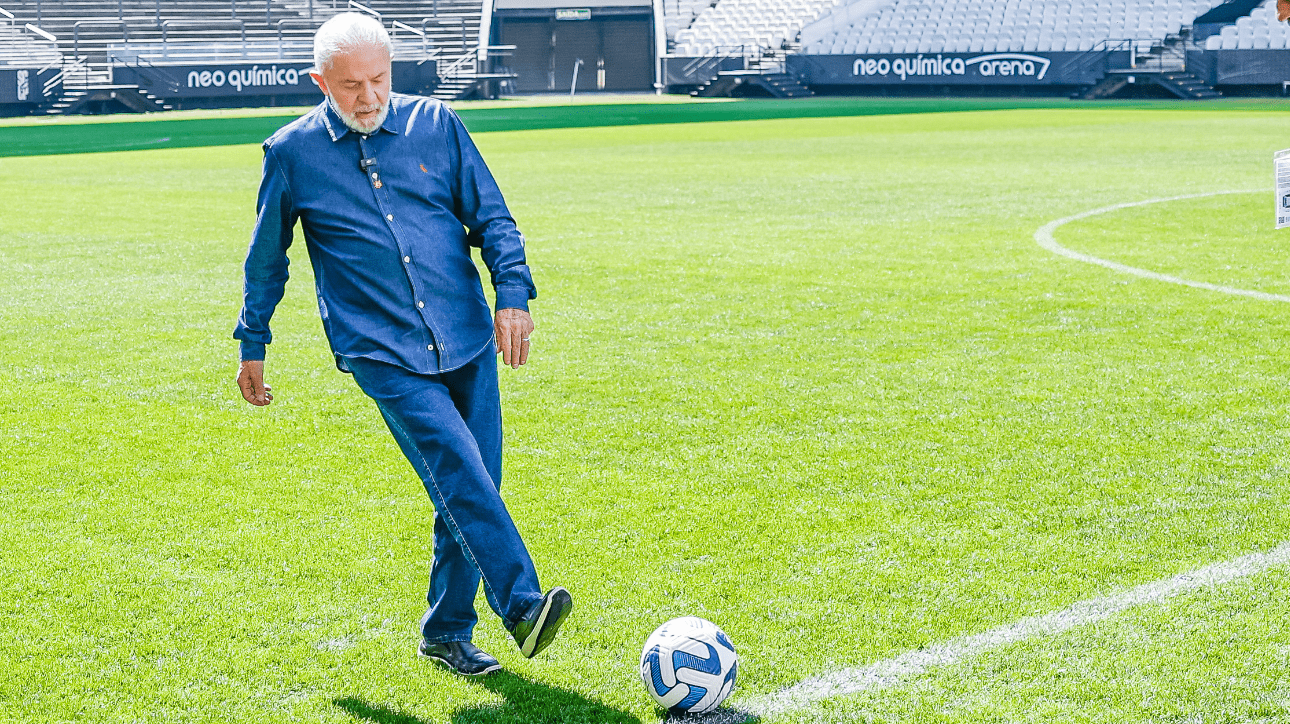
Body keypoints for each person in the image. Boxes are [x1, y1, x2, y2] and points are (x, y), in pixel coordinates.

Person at [232, 12, 571, 677]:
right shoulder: (291, 154)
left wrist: (513, 296)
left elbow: (494, 219)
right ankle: (523, 606)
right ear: (320, 81)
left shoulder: (438, 126)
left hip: (467, 335)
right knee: (459, 469)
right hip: (380, 351)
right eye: (350, 85)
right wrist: (253, 340)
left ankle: (445, 633)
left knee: (471, 487)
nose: (367, 97)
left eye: (379, 80)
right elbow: (266, 260)